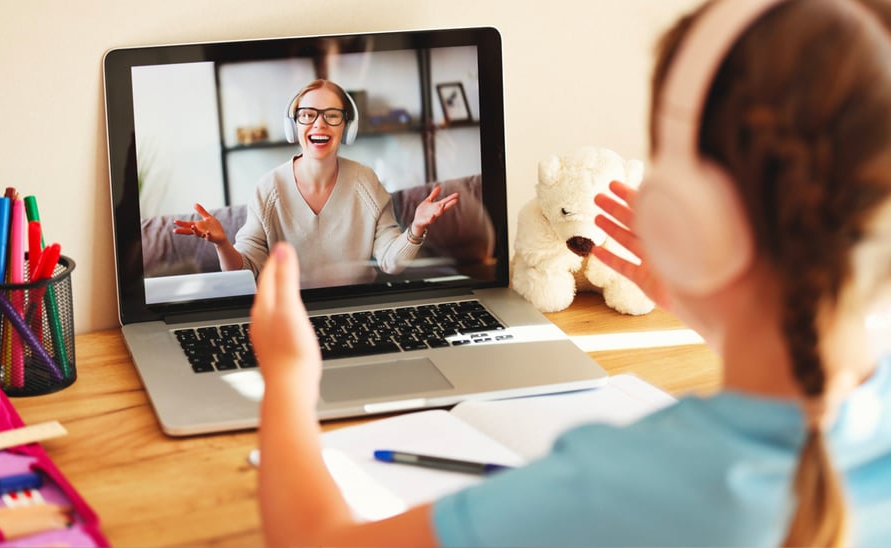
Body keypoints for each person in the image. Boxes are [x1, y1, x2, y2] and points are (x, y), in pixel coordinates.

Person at [249, 1, 891, 546]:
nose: (318, 125)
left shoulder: (620, 486)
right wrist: (701, 297)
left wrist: (287, 378)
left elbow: (313, 538)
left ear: (682, 210)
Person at [173, 79, 459, 288]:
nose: (319, 125)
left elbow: (390, 262)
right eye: (308, 115)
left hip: (358, 307)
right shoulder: (268, 188)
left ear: (347, 126)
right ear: (293, 125)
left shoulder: (366, 181)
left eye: (332, 116)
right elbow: (245, 273)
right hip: (290, 317)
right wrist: (223, 244)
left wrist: (416, 228)